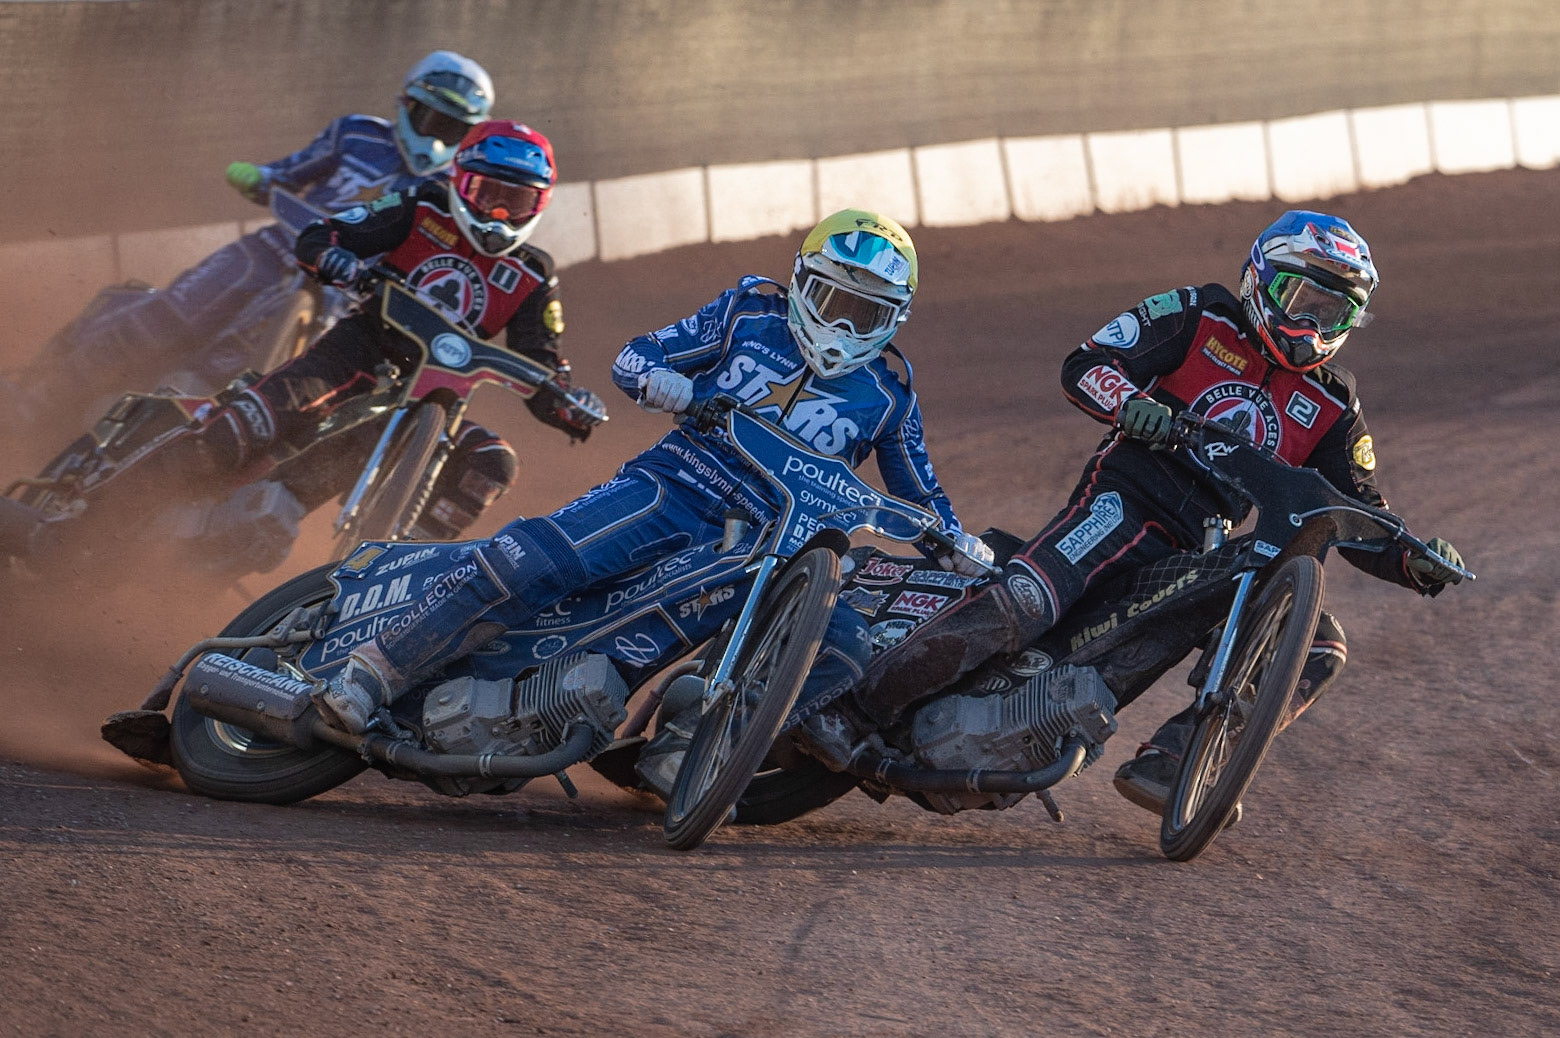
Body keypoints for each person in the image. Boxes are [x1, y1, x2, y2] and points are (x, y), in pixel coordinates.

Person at [316, 208, 995, 778]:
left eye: (865, 312)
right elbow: (636, 357)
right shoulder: (747, 314)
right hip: (674, 488)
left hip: (769, 551)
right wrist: (666, 384)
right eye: (831, 300)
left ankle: (688, 751)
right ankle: (375, 668)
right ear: (799, 285)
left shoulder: (890, 395)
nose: (843, 325)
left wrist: (958, 546)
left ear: (894, 317)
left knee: (842, 648)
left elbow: (922, 501)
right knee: (534, 558)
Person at [854, 209, 1465, 816]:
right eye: (1300, 298)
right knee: (1028, 600)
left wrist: (1414, 558)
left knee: (1318, 645)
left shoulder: (1334, 405)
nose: (1309, 325)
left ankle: (1178, 762)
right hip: (1127, 498)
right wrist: (1130, 406)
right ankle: (856, 708)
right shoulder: (1200, 314)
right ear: (1260, 279)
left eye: (1332, 313)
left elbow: (1355, 512)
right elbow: (1087, 364)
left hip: (1204, 549)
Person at [4, 50, 495, 434]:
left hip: (343, 292)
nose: (436, 137)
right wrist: (259, 178)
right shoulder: (357, 134)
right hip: (276, 246)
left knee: (283, 388)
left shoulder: (447, 194)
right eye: (431, 119)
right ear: (407, 104)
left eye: (453, 128)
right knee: (169, 314)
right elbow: (290, 171)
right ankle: (37, 401)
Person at [179, 119, 603, 554]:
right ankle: (120, 499)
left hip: (430, 403)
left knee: (491, 462)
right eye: (487, 194)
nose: (498, 213)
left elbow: (541, 368)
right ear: (460, 182)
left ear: (540, 204)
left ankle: (401, 567)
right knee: (226, 439)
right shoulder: (424, 205)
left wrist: (570, 405)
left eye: (516, 201)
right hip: (351, 359)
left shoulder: (534, 274)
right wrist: (337, 259)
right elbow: (323, 235)